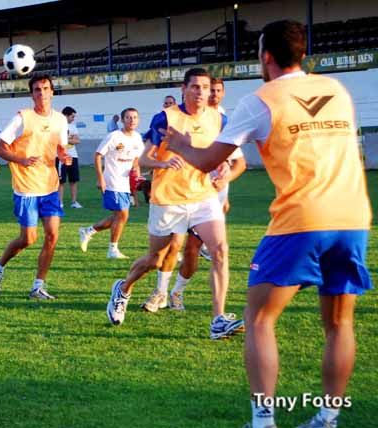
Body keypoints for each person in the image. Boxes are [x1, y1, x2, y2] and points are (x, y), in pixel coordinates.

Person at [165, 20, 372, 428]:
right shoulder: (337, 91)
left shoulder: (261, 100)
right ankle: (328, 417)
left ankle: (263, 421)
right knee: (339, 323)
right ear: (302, 54)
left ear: (266, 57)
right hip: (353, 217)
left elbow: (208, 162)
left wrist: (180, 143)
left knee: (259, 318)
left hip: (301, 219)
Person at [105, 68, 244, 342]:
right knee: (155, 260)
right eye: (195, 87)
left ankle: (218, 319)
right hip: (168, 198)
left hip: (203, 197)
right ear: (184, 89)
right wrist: (163, 162)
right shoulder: (167, 118)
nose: (201, 92)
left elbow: (236, 160)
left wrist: (227, 169)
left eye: (205, 87)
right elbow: (143, 160)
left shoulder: (220, 119)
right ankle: (123, 288)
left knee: (220, 250)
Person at [0, 74, 71, 300]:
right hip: (26, 187)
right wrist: (21, 160)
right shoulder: (23, 118)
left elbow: (60, 148)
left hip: (50, 186)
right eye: (36, 90)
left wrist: (64, 155)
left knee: (52, 236)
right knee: (28, 239)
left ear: (52, 92)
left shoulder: (60, 120)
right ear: (31, 94)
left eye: (45, 89)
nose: (41, 93)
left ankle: (38, 286)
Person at [79, 108, 143, 259]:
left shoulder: (137, 138)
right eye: (128, 117)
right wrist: (100, 178)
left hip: (126, 182)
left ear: (138, 120)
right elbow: (98, 155)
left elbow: (136, 158)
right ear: (122, 120)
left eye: (134, 117)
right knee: (122, 214)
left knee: (119, 216)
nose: (132, 120)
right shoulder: (114, 136)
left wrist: (137, 172)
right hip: (113, 180)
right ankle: (112, 249)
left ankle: (89, 231)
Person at [57, 106, 83, 208]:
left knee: (74, 180)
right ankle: (60, 203)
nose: (73, 119)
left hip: (73, 156)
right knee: (61, 181)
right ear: (65, 115)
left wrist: (66, 139)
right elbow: (57, 140)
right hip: (60, 157)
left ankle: (74, 202)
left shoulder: (73, 127)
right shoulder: (57, 126)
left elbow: (77, 140)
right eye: (72, 116)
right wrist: (69, 139)